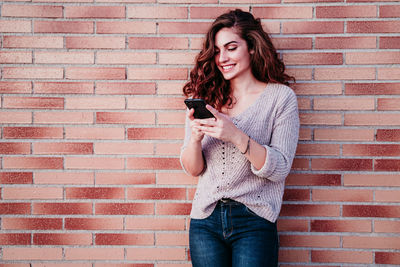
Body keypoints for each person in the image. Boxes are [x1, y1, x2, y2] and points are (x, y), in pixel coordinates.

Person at [180, 9, 299, 267]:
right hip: (205, 221)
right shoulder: (207, 97)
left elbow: (279, 168)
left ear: (252, 47)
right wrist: (195, 140)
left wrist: (234, 135)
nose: (223, 58)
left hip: (254, 221)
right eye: (218, 51)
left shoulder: (280, 98)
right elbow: (193, 169)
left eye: (231, 48)